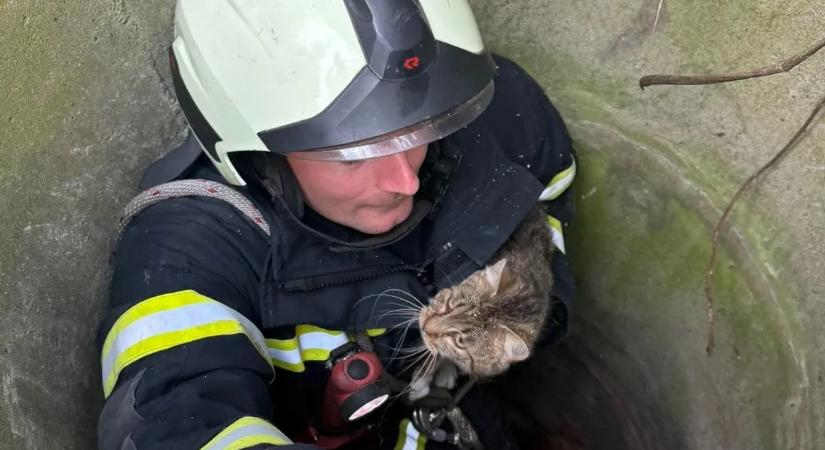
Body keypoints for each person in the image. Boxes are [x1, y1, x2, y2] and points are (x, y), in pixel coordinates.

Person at [97, 1, 576, 449]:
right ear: (255, 144)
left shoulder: (499, 115)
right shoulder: (189, 251)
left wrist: (531, 290)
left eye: (418, 131)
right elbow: (174, 419)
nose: (405, 180)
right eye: (353, 155)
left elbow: (553, 190)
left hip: (464, 416)